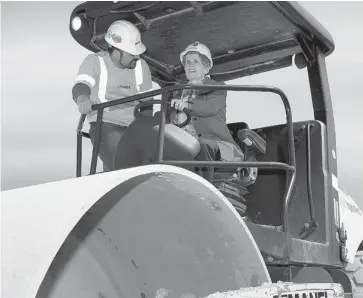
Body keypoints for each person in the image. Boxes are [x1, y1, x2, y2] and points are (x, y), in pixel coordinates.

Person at [72, 20, 153, 172]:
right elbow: (81, 86)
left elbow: (147, 104)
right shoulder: (95, 62)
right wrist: (82, 99)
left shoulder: (141, 66)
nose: (137, 57)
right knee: (123, 163)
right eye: (132, 54)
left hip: (134, 128)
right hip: (104, 124)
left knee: (150, 162)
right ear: (116, 51)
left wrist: (145, 128)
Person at [170, 41, 245, 182]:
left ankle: (202, 190)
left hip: (222, 149)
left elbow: (210, 108)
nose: (190, 65)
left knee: (202, 145)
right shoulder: (176, 93)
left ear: (206, 68)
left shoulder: (218, 88)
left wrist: (187, 104)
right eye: (187, 62)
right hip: (186, 148)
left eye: (195, 62)